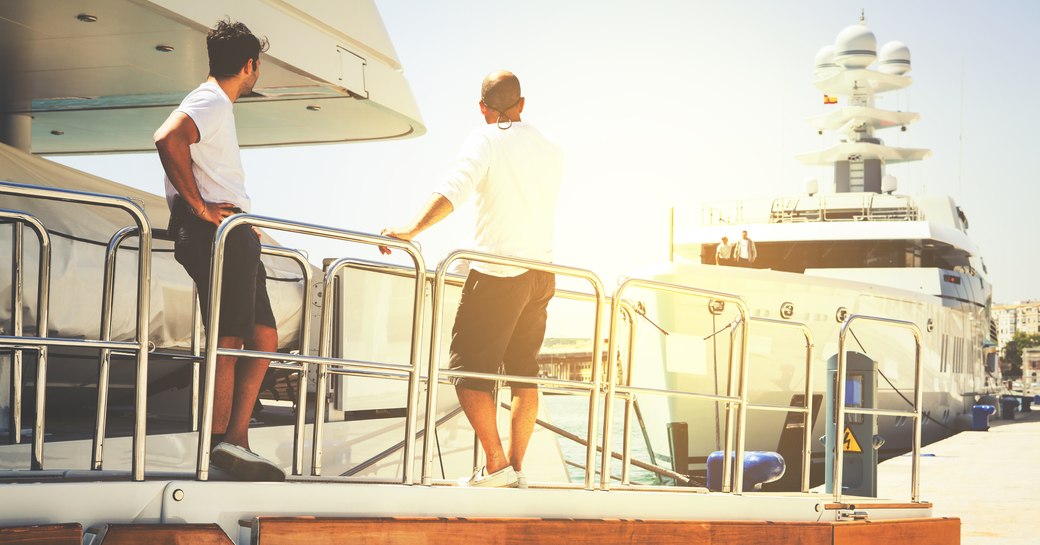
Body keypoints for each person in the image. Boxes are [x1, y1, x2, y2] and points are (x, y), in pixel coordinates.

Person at [380, 70, 563, 488]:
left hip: (499, 273)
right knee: (522, 373)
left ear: (482, 108)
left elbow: (454, 190)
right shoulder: (551, 147)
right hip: (543, 273)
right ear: (522, 104)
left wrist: (410, 230)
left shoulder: (486, 140)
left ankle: (496, 466)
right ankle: (515, 469)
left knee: (466, 373)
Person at [154, 19, 283, 481]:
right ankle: (218, 445)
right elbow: (168, 138)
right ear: (249, 66)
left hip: (235, 235)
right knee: (228, 339)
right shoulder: (209, 100)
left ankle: (236, 439)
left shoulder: (215, 104)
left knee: (263, 335)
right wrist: (202, 209)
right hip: (216, 235)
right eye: (257, 66)